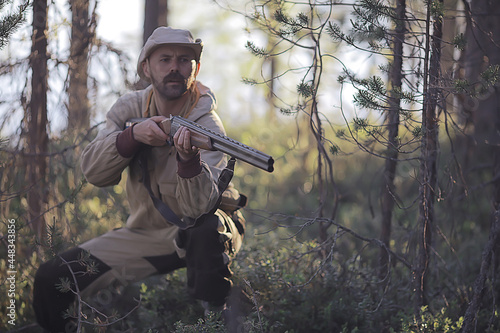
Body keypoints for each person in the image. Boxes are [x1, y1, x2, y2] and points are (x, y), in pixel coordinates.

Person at [33, 26, 246, 333]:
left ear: (195, 68)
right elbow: (94, 172)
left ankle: (214, 321)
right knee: (53, 278)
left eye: (184, 60)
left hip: (210, 230)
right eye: (165, 59)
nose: (175, 67)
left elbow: (200, 208)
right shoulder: (129, 108)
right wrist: (132, 136)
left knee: (205, 231)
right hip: (146, 235)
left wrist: (188, 160)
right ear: (146, 68)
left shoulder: (207, 124)